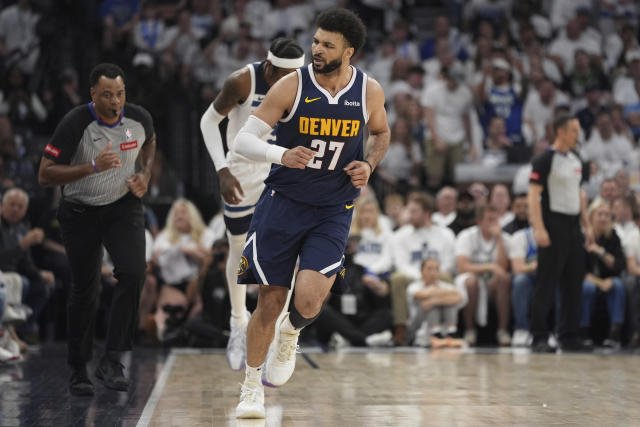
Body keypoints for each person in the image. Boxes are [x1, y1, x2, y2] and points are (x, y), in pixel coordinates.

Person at [232, 8, 389, 419]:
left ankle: (291, 333)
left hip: (333, 208)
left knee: (310, 297)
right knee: (270, 299)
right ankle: (251, 388)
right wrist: (280, 153)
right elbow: (243, 141)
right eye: (316, 41)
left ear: (348, 52)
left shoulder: (369, 90)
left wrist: (369, 165)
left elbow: (382, 133)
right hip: (283, 203)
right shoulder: (291, 85)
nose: (316, 50)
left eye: (326, 45)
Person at [38, 63, 156, 396]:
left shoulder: (139, 118)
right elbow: (45, 173)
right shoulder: (75, 123)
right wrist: (91, 166)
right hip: (80, 210)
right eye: (106, 94)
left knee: (134, 273)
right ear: (92, 94)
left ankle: (113, 359)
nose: (115, 101)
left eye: (119, 93)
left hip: (123, 205)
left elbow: (150, 143)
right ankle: (79, 368)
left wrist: (144, 176)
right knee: (85, 290)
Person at [199, 37, 305, 371]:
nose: (291, 82)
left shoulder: (304, 82)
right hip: (243, 169)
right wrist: (222, 169)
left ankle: (272, 334)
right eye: (283, 75)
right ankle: (237, 321)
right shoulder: (242, 80)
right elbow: (208, 121)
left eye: (296, 76)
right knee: (238, 247)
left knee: (287, 251)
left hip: (282, 166)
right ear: (269, 68)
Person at [528, 113, 591, 353]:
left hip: (573, 225)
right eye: (574, 130)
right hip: (552, 225)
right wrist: (539, 227)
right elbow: (533, 195)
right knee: (546, 282)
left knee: (573, 282)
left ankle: (568, 334)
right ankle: (539, 336)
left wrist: (587, 225)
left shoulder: (578, 160)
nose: (577, 135)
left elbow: (580, 195)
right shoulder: (544, 160)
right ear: (561, 132)